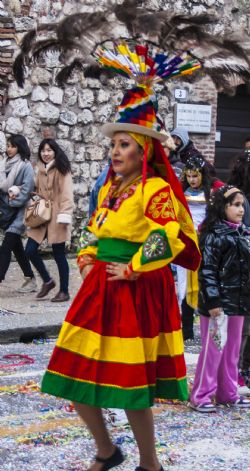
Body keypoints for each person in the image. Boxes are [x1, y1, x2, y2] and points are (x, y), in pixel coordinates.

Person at [41, 40, 201, 471]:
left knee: (129, 387)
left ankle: (150, 463)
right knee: (71, 377)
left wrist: (133, 267)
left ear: (144, 150)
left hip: (134, 288)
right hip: (99, 287)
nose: (115, 151)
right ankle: (108, 451)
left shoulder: (156, 189)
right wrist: (87, 254)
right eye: (114, 144)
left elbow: (167, 237)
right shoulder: (111, 189)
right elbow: (96, 230)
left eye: (125, 144)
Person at [190, 185, 250, 413]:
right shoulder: (213, 236)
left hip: (238, 304)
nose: (241, 209)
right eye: (235, 205)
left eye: (242, 204)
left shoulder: (243, 233)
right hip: (218, 307)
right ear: (222, 207)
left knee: (232, 350)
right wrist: (213, 302)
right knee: (213, 349)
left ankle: (228, 392)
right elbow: (207, 271)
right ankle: (201, 394)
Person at [25, 139, 74, 302]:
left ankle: (64, 291)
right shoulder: (40, 170)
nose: (45, 154)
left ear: (55, 151)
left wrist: (65, 214)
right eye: (43, 151)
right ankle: (48, 281)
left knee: (59, 254)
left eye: (49, 150)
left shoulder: (62, 169)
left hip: (58, 216)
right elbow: (37, 190)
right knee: (30, 250)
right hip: (42, 214)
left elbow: (67, 195)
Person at [177, 156, 212, 340]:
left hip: (205, 245)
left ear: (202, 175)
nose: (192, 179)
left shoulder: (210, 194)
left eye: (195, 176)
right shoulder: (181, 194)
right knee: (184, 285)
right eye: (189, 176)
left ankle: (208, 329)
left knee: (206, 284)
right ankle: (187, 331)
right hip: (187, 245)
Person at [0, 134, 36, 292]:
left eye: (12, 146)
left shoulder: (25, 166)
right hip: (6, 213)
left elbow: (27, 190)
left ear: (20, 147)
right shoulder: (3, 165)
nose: (9, 149)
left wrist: (10, 201)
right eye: (8, 145)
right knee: (17, 248)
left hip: (20, 213)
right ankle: (31, 279)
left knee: (5, 247)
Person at [228, 150, 250, 395]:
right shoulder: (240, 201)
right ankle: (237, 371)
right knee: (241, 328)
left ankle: (239, 370)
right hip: (240, 277)